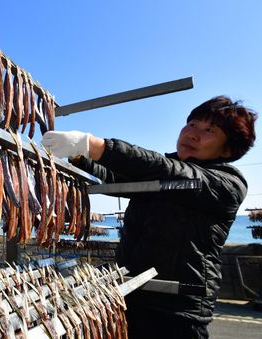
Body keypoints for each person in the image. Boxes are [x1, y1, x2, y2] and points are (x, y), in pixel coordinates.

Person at [41, 96, 257, 339]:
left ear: (227, 148)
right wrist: (81, 156)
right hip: (128, 295)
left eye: (210, 130)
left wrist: (92, 144)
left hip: (176, 311)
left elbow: (169, 171)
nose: (193, 134)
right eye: (193, 124)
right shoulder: (165, 169)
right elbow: (119, 178)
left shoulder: (227, 183)